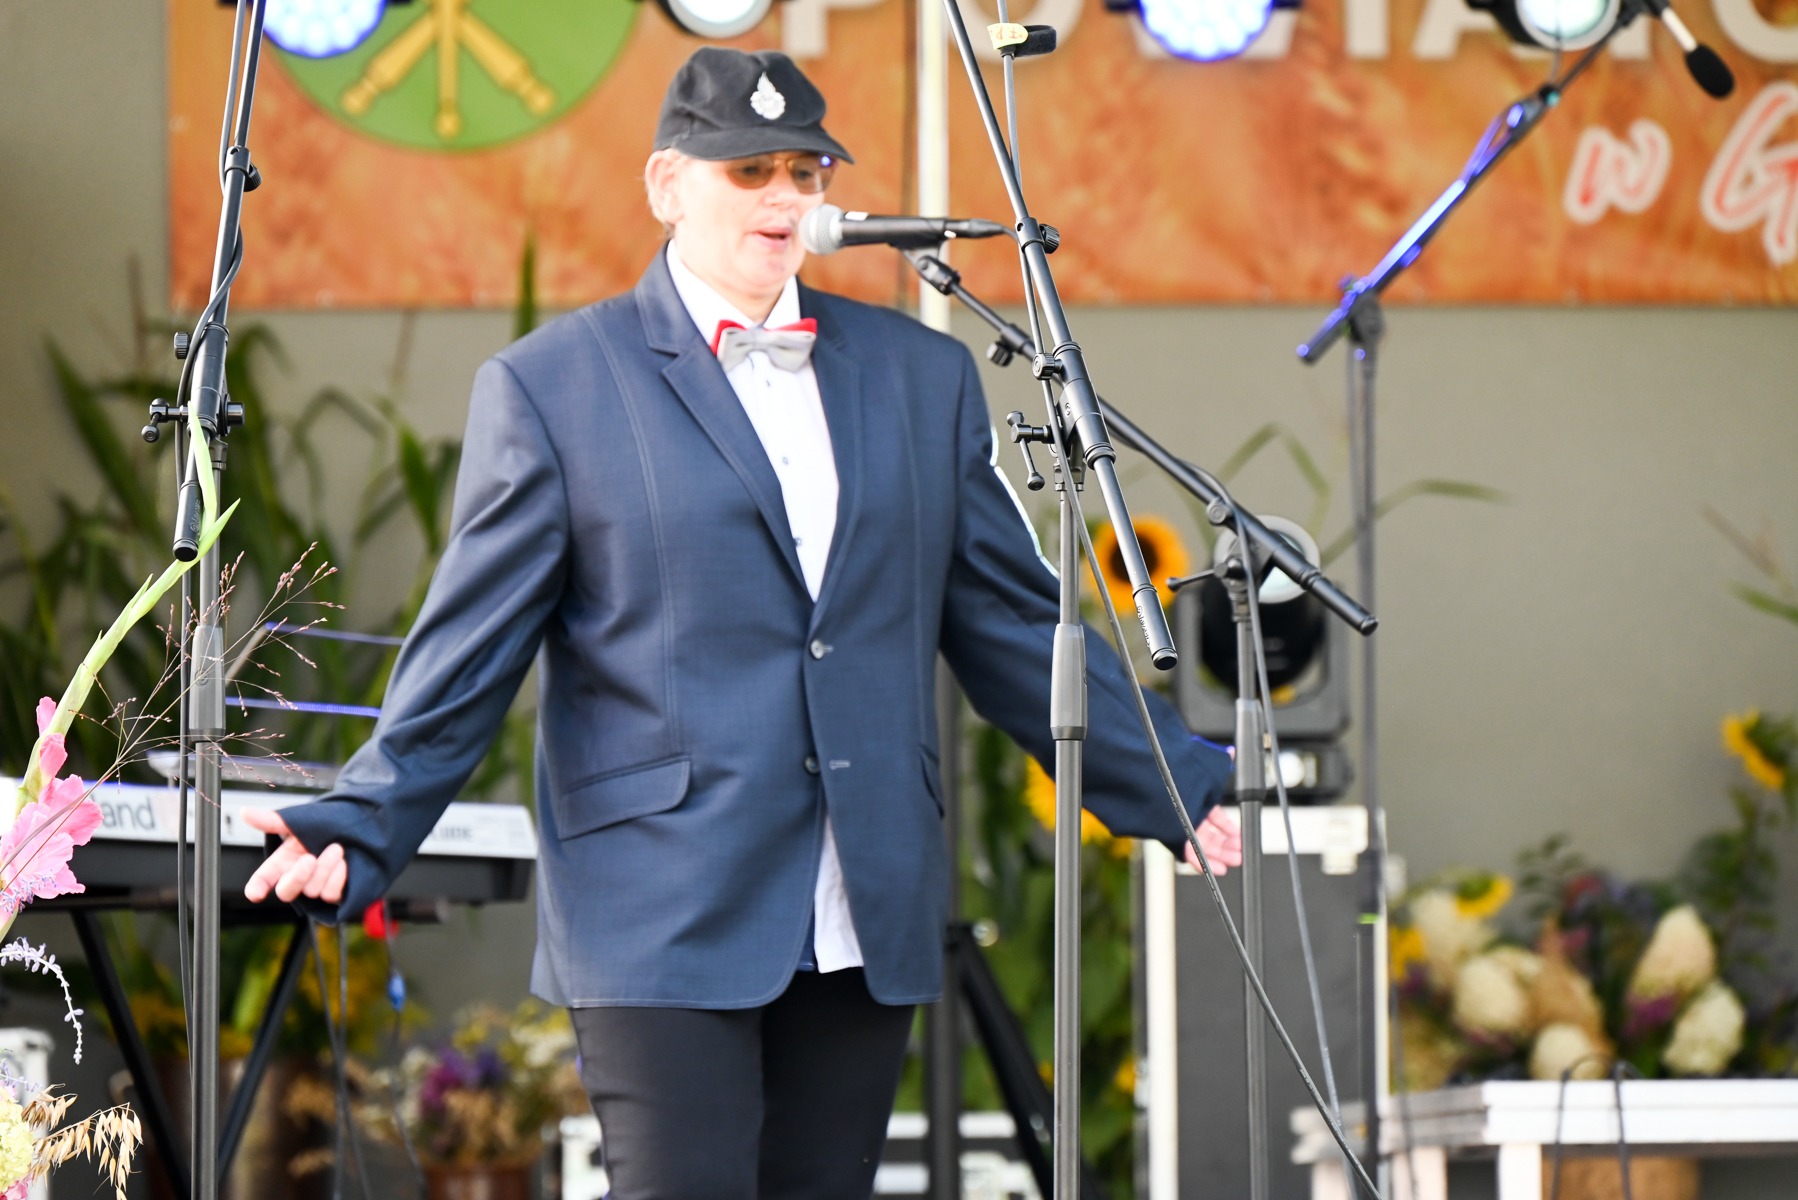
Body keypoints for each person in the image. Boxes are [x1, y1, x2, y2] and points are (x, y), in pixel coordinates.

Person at [243, 46, 1241, 1200]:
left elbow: (1011, 622)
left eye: (804, 172)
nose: (783, 196)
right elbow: (469, 649)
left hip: (859, 898)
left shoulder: (918, 375)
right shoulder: (555, 385)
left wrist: (1164, 780)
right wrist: (363, 821)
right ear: (667, 185)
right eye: (748, 169)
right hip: (661, 902)